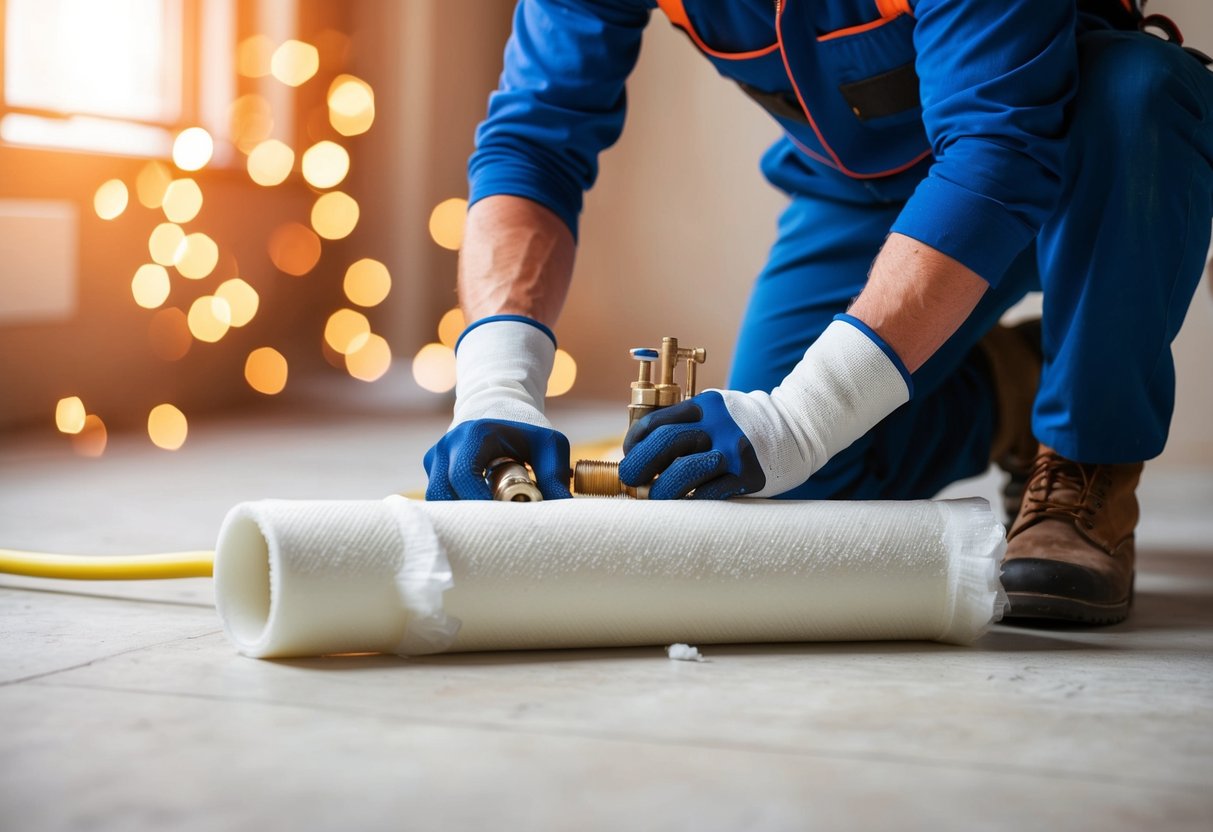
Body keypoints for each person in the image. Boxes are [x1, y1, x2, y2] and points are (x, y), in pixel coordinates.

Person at [424, 0, 1213, 626]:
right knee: (788, 486)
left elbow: (996, 156)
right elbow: (531, 140)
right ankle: (1022, 386)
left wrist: (804, 415)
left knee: (1139, 90)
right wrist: (495, 384)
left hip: (1070, 146)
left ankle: (1086, 457)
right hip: (863, 192)